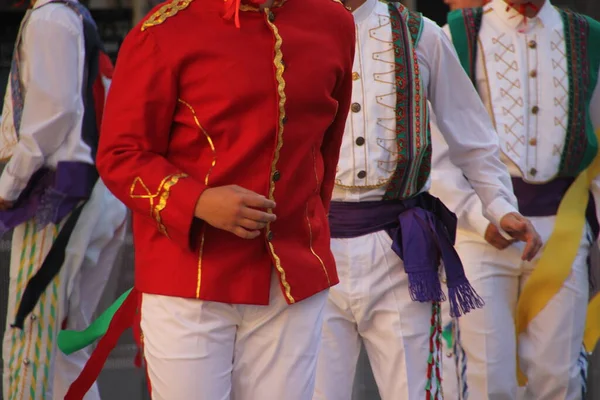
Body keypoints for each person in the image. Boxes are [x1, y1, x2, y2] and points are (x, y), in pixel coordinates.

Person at [58, 0, 356, 399]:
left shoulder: (333, 21)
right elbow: (121, 155)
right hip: (188, 277)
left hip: (291, 277)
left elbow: (325, 150)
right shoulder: (163, 30)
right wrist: (196, 201)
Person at [312, 0, 542, 399]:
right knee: (312, 391)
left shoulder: (421, 33)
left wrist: (501, 207)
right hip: (312, 245)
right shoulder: (288, 29)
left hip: (399, 250)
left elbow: (472, 135)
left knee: (415, 389)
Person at [430, 0, 600, 398]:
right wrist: (475, 215)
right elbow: (436, 145)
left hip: (562, 227)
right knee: (489, 379)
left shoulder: (588, 36)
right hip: (478, 234)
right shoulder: (453, 34)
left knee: (558, 376)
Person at [0, 0, 127, 399]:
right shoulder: (67, 15)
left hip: (59, 198)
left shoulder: (51, 17)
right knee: (61, 347)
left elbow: (52, 114)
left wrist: (8, 185)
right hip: (85, 191)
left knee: (32, 341)